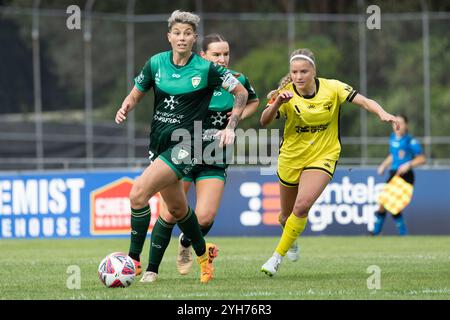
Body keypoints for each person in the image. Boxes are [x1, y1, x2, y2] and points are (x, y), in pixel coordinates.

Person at [115, 10, 249, 284]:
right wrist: (126, 106)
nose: (182, 38)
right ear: (169, 36)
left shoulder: (207, 69)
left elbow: (242, 92)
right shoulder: (156, 63)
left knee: (138, 194)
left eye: (187, 34)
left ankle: (133, 262)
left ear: (194, 39)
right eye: (177, 33)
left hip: (187, 145)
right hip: (159, 145)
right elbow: (138, 91)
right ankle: (203, 256)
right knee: (177, 210)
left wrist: (231, 126)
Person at [259, 48, 399, 277]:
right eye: (294, 72)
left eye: (304, 71)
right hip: (291, 158)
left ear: (314, 71)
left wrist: (381, 113)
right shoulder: (285, 93)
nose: (299, 76)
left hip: (324, 155)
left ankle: (276, 258)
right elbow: (264, 121)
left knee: (302, 206)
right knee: (285, 217)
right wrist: (276, 104)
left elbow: (364, 101)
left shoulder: (333, 87)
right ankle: (290, 239)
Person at [142, 33, 260, 282]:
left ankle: (186, 242)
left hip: (215, 154)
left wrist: (233, 122)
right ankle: (151, 270)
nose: (223, 58)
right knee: (170, 212)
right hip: (184, 149)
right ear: (203, 55)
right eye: (216, 54)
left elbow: (253, 101)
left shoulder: (237, 80)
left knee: (205, 217)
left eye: (226, 53)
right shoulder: (193, 77)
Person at [372, 114, 426, 236]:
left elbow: (422, 159)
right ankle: (378, 233)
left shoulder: (410, 141)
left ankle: (378, 233)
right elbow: (393, 155)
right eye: (395, 122)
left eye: (401, 122)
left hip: (405, 176)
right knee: (384, 203)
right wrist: (383, 165)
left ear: (406, 125)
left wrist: (408, 165)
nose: (397, 125)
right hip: (393, 173)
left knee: (389, 203)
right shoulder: (392, 138)